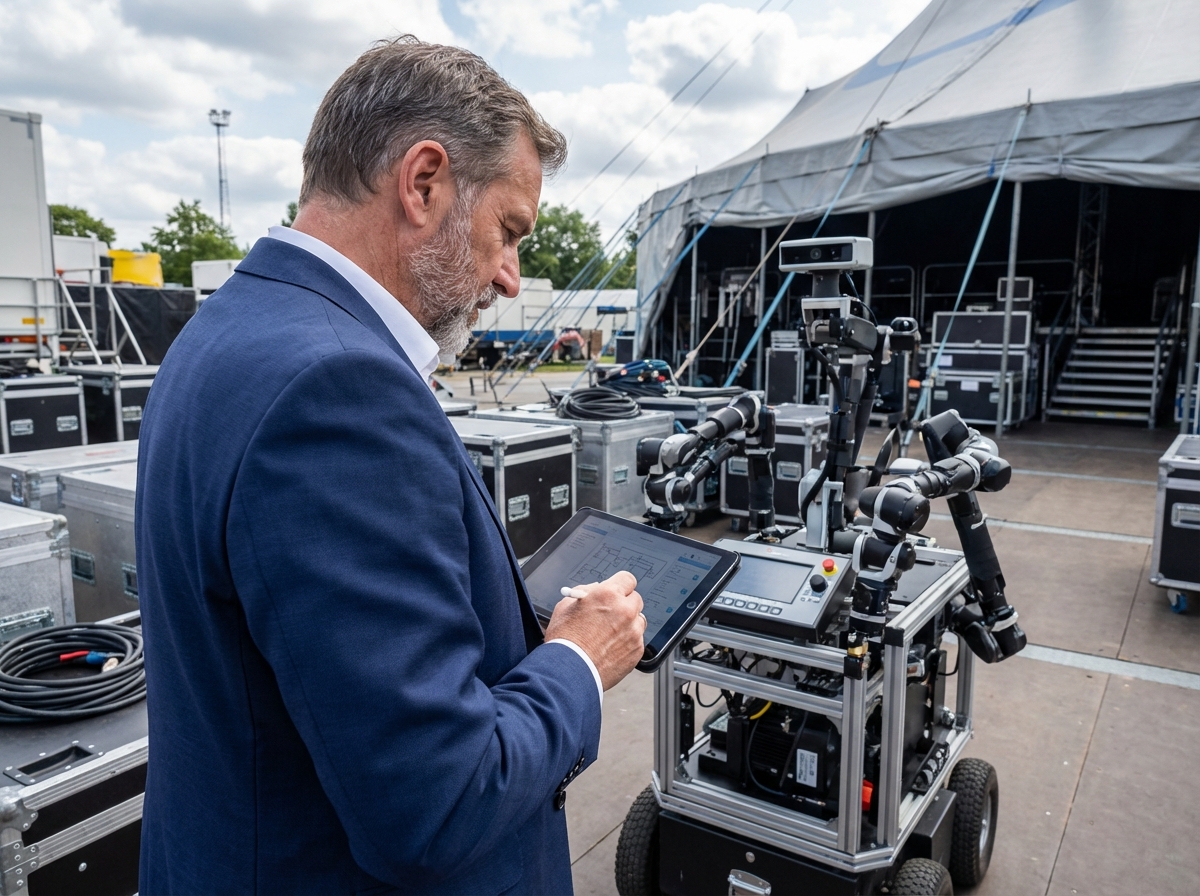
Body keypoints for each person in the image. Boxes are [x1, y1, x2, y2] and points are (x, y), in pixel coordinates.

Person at [135, 36, 646, 895]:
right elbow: (437, 805)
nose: (512, 278)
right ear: (423, 183)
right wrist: (577, 663)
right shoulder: (338, 387)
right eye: (508, 231)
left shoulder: (227, 333)